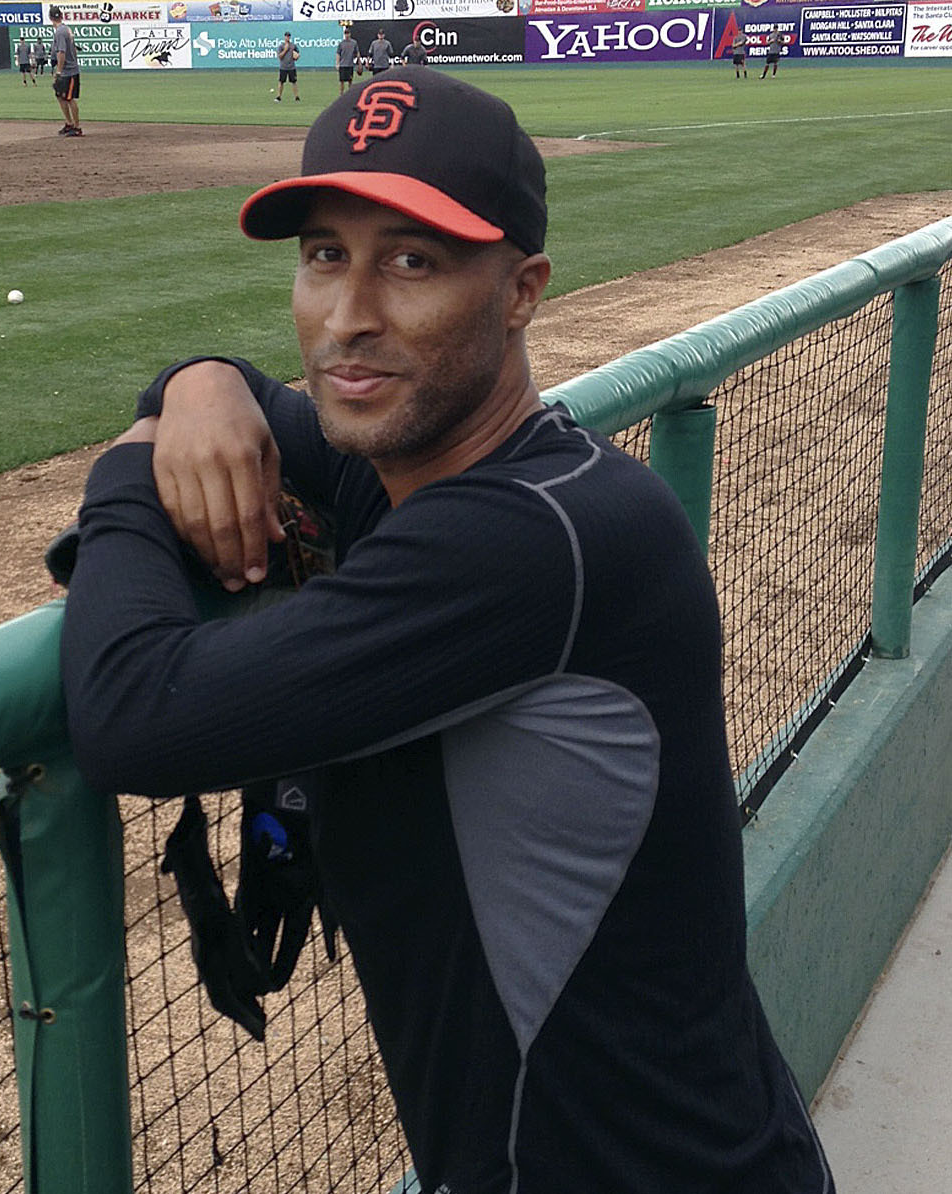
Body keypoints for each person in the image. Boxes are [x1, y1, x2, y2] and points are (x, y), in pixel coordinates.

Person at [58, 68, 836, 1193]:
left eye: (412, 261)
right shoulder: (441, 473)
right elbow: (270, 404)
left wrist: (126, 471)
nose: (347, 315)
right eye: (325, 253)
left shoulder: (534, 539)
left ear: (521, 291)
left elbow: (134, 716)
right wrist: (199, 382)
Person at [48, 8, 82, 136]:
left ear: (50, 18)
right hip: (69, 69)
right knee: (60, 96)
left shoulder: (60, 32)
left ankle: (77, 127)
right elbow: (73, 50)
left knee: (69, 98)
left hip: (68, 71)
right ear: (61, 16)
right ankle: (69, 123)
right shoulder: (65, 29)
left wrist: (58, 72)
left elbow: (61, 53)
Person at [275, 31, 300, 102]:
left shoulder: (293, 46)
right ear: (284, 37)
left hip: (291, 67)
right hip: (283, 67)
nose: (287, 37)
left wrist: (297, 57)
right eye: (286, 36)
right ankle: (278, 96)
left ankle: (296, 97)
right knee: (281, 82)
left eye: (289, 36)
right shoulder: (281, 46)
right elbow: (280, 56)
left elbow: (297, 54)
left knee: (294, 82)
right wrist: (285, 50)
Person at [334, 26, 358, 94]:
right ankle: (341, 94)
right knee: (341, 81)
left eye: (348, 33)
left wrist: (358, 63)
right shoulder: (341, 44)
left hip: (350, 64)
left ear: (350, 34)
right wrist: (337, 63)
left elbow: (357, 53)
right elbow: (338, 54)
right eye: (346, 34)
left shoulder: (354, 43)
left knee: (350, 81)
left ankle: (350, 94)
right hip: (342, 64)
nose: (347, 35)